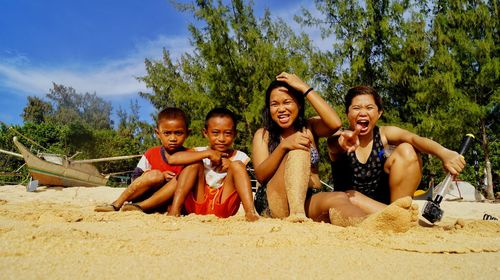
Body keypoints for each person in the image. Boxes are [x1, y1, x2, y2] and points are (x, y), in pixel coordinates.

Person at [327, 85, 466, 215]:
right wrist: (340, 143)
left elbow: (414, 139)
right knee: (350, 197)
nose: (363, 112)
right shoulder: (340, 138)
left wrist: (443, 153)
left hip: (384, 206)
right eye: (356, 108)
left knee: (407, 149)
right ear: (347, 113)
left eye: (369, 108)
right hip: (349, 205)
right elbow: (333, 145)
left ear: (379, 113)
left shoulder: (384, 134)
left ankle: (397, 212)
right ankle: (397, 214)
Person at [252, 72, 370, 223]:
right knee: (299, 147)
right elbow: (261, 176)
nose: (281, 109)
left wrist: (304, 88)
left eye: (287, 102)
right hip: (273, 201)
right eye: (275, 104)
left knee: (339, 197)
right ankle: (297, 216)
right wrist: (284, 146)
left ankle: (369, 225)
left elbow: (335, 124)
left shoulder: (309, 127)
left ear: (299, 104)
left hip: (309, 196)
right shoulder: (263, 135)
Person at [166, 108, 259, 221]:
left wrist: (231, 165)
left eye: (228, 133)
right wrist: (207, 154)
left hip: (224, 207)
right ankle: (175, 210)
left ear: (235, 134)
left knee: (238, 165)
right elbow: (173, 159)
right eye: (215, 133)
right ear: (205, 133)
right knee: (194, 163)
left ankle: (250, 213)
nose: (221, 139)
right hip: (198, 203)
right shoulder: (199, 151)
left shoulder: (240, 156)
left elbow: (241, 175)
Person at [94, 107, 190, 213]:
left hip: (170, 201)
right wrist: (161, 176)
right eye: (167, 133)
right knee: (156, 175)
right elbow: (135, 179)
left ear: (187, 133)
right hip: (145, 196)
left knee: (180, 179)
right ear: (158, 134)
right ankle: (117, 203)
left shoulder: (191, 156)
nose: (172, 138)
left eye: (178, 133)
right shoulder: (151, 154)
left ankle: (146, 207)